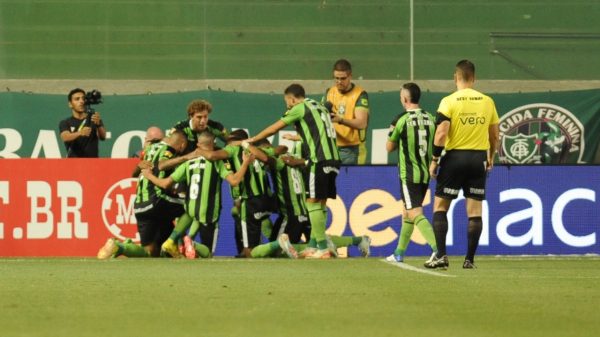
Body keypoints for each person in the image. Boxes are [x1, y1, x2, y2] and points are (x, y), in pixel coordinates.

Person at [246, 83, 341, 259]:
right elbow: (314, 132)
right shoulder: (318, 105)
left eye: (287, 101)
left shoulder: (299, 107)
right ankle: (313, 245)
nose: (287, 105)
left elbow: (275, 127)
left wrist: (253, 139)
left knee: (311, 203)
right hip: (333, 159)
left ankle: (322, 247)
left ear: (291, 98)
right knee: (320, 204)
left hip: (318, 160)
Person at [426, 60, 500, 269]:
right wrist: (491, 157)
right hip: (478, 159)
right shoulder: (487, 101)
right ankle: (469, 260)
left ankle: (441, 255)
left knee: (440, 207)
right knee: (474, 211)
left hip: (454, 158)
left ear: (455, 77)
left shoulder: (448, 101)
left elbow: (441, 133)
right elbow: (494, 135)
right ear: (474, 78)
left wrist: (434, 160)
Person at [142, 131, 254, 258]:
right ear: (213, 144)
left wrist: (149, 176)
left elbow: (165, 183)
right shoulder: (218, 161)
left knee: (188, 217)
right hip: (209, 213)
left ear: (198, 144)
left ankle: (177, 241)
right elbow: (234, 181)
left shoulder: (188, 162)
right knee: (208, 253)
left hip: (191, 210)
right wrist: (245, 163)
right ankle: (191, 243)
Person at [97, 130, 190, 259]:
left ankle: (120, 247)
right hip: (157, 200)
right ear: (182, 145)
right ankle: (173, 241)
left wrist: (139, 166)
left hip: (140, 206)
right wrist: (187, 157)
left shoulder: (149, 149)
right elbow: (162, 164)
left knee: (150, 252)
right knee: (192, 207)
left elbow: (134, 174)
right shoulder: (169, 150)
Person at [384, 83, 438, 263]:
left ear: (405, 99)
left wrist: (392, 133)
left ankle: (438, 249)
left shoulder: (401, 119)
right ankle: (399, 252)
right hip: (424, 173)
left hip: (408, 174)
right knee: (407, 212)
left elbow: (389, 147)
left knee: (414, 211)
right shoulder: (430, 117)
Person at [322, 59, 369, 165]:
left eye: (343, 78)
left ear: (350, 76)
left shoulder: (360, 94)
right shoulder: (330, 92)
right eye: (336, 78)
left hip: (352, 150)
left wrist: (341, 120)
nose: (339, 82)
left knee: (351, 181)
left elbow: (362, 123)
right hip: (332, 148)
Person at [58, 88, 107, 157]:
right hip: (74, 163)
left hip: (92, 163)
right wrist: (80, 133)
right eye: (77, 99)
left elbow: (103, 137)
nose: (81, 101)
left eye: (83, 99)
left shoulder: (94, 118)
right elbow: (65, 137)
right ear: (70, 104)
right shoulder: (65, 122)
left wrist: (98, 124)